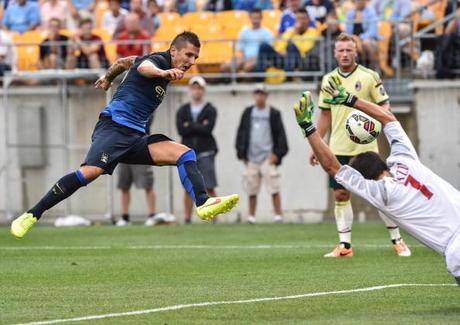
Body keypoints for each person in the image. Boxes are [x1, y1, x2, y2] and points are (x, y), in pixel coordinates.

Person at [10, 31, 239, 239]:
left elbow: (123, 62)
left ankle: (203, 202)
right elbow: (142, 68)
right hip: (114, 127)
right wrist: (162, 72)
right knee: (91, 172)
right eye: (188, 55)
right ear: (173, 51)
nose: (191, 61)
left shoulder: (157, 64)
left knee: (185, 153)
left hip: (135, 136)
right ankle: (31, 215)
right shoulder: (158, 61)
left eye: (196, 58)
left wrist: (108, 78)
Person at [293, 79, 460, 285]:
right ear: (382, 163)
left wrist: (309, 128)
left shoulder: (383, 194)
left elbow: (333, 167)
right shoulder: (405, 159)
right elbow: (388, 118)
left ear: (365, 178)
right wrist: (350, 99)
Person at [314, 32, 411, 258]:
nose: (345, 54)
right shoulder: (328, 80)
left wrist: (376, 127)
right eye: (341, 50)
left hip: (366, 149)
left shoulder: (369, 76)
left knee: (381, 194)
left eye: (349, 50)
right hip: (337, 148)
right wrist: (316, 144)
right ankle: (345, 246)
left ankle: (397, 240)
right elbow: (325, 115)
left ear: (356, 51)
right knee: (340, 195)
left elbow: (385, 109)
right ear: (335, 53)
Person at [235, 84, 288, 224]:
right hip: (251, 158)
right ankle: (251, 217)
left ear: (266, 95)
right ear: (254, 95)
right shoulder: (248, 112)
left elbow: (281, 135)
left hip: (267, 157)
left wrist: (277, 154)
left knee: (274, 186)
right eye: (257, 93)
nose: (260, 96)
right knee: (251, 188)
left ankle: (278, 216)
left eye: (262, 93)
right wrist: (241, 153)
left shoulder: (274, 113)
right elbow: (241, 133)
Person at [176, 76, 219, 224]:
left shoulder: (210, 109)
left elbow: (208, 129)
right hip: (188, 154)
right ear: (190, 90)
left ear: (203, 90)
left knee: (209, 186)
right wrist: (200, 124)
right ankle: (187, 218)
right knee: (188, 187)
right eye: (194, 88)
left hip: (206, 151)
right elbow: (181, 130)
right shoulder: (183, 110)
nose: (196, 91)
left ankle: (215, 219)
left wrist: (191, 125)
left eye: (199, 88)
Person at [253, 9, 319, 75]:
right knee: (264, 46)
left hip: (300, 60)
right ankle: (259, 77)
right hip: (285, 59)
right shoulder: (290, 31)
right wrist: (293, 32)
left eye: (303, 18)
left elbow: (304, 49)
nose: (300, 21)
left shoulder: (312, 31)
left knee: (291, 46)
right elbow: (280, 47)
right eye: (298, 18)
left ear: (308, 20)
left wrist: (295, 33)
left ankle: (288, 76)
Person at [220, 8, 274, 74]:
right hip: (245, 58)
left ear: (261, 18)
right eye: (253, 18)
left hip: (259, 59)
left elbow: (267, 52)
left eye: (257, 18)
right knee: (225, 66)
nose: (255, 21)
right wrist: (243, 59)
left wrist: (254, 58)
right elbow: (241, 49)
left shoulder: (267, 33)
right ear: (250, 18)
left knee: (248, 66)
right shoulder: (244, 32)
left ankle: (241, 75)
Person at [344, 0, 380, 70]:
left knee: (366, 43)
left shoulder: (371, 12)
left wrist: (360, 38)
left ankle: (374, 69)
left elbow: (373, 31)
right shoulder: (350, 13)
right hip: (353, 39)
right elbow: (347, 31)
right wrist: (353, 38)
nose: (358, 2)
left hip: (368, 39)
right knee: (349, 45)